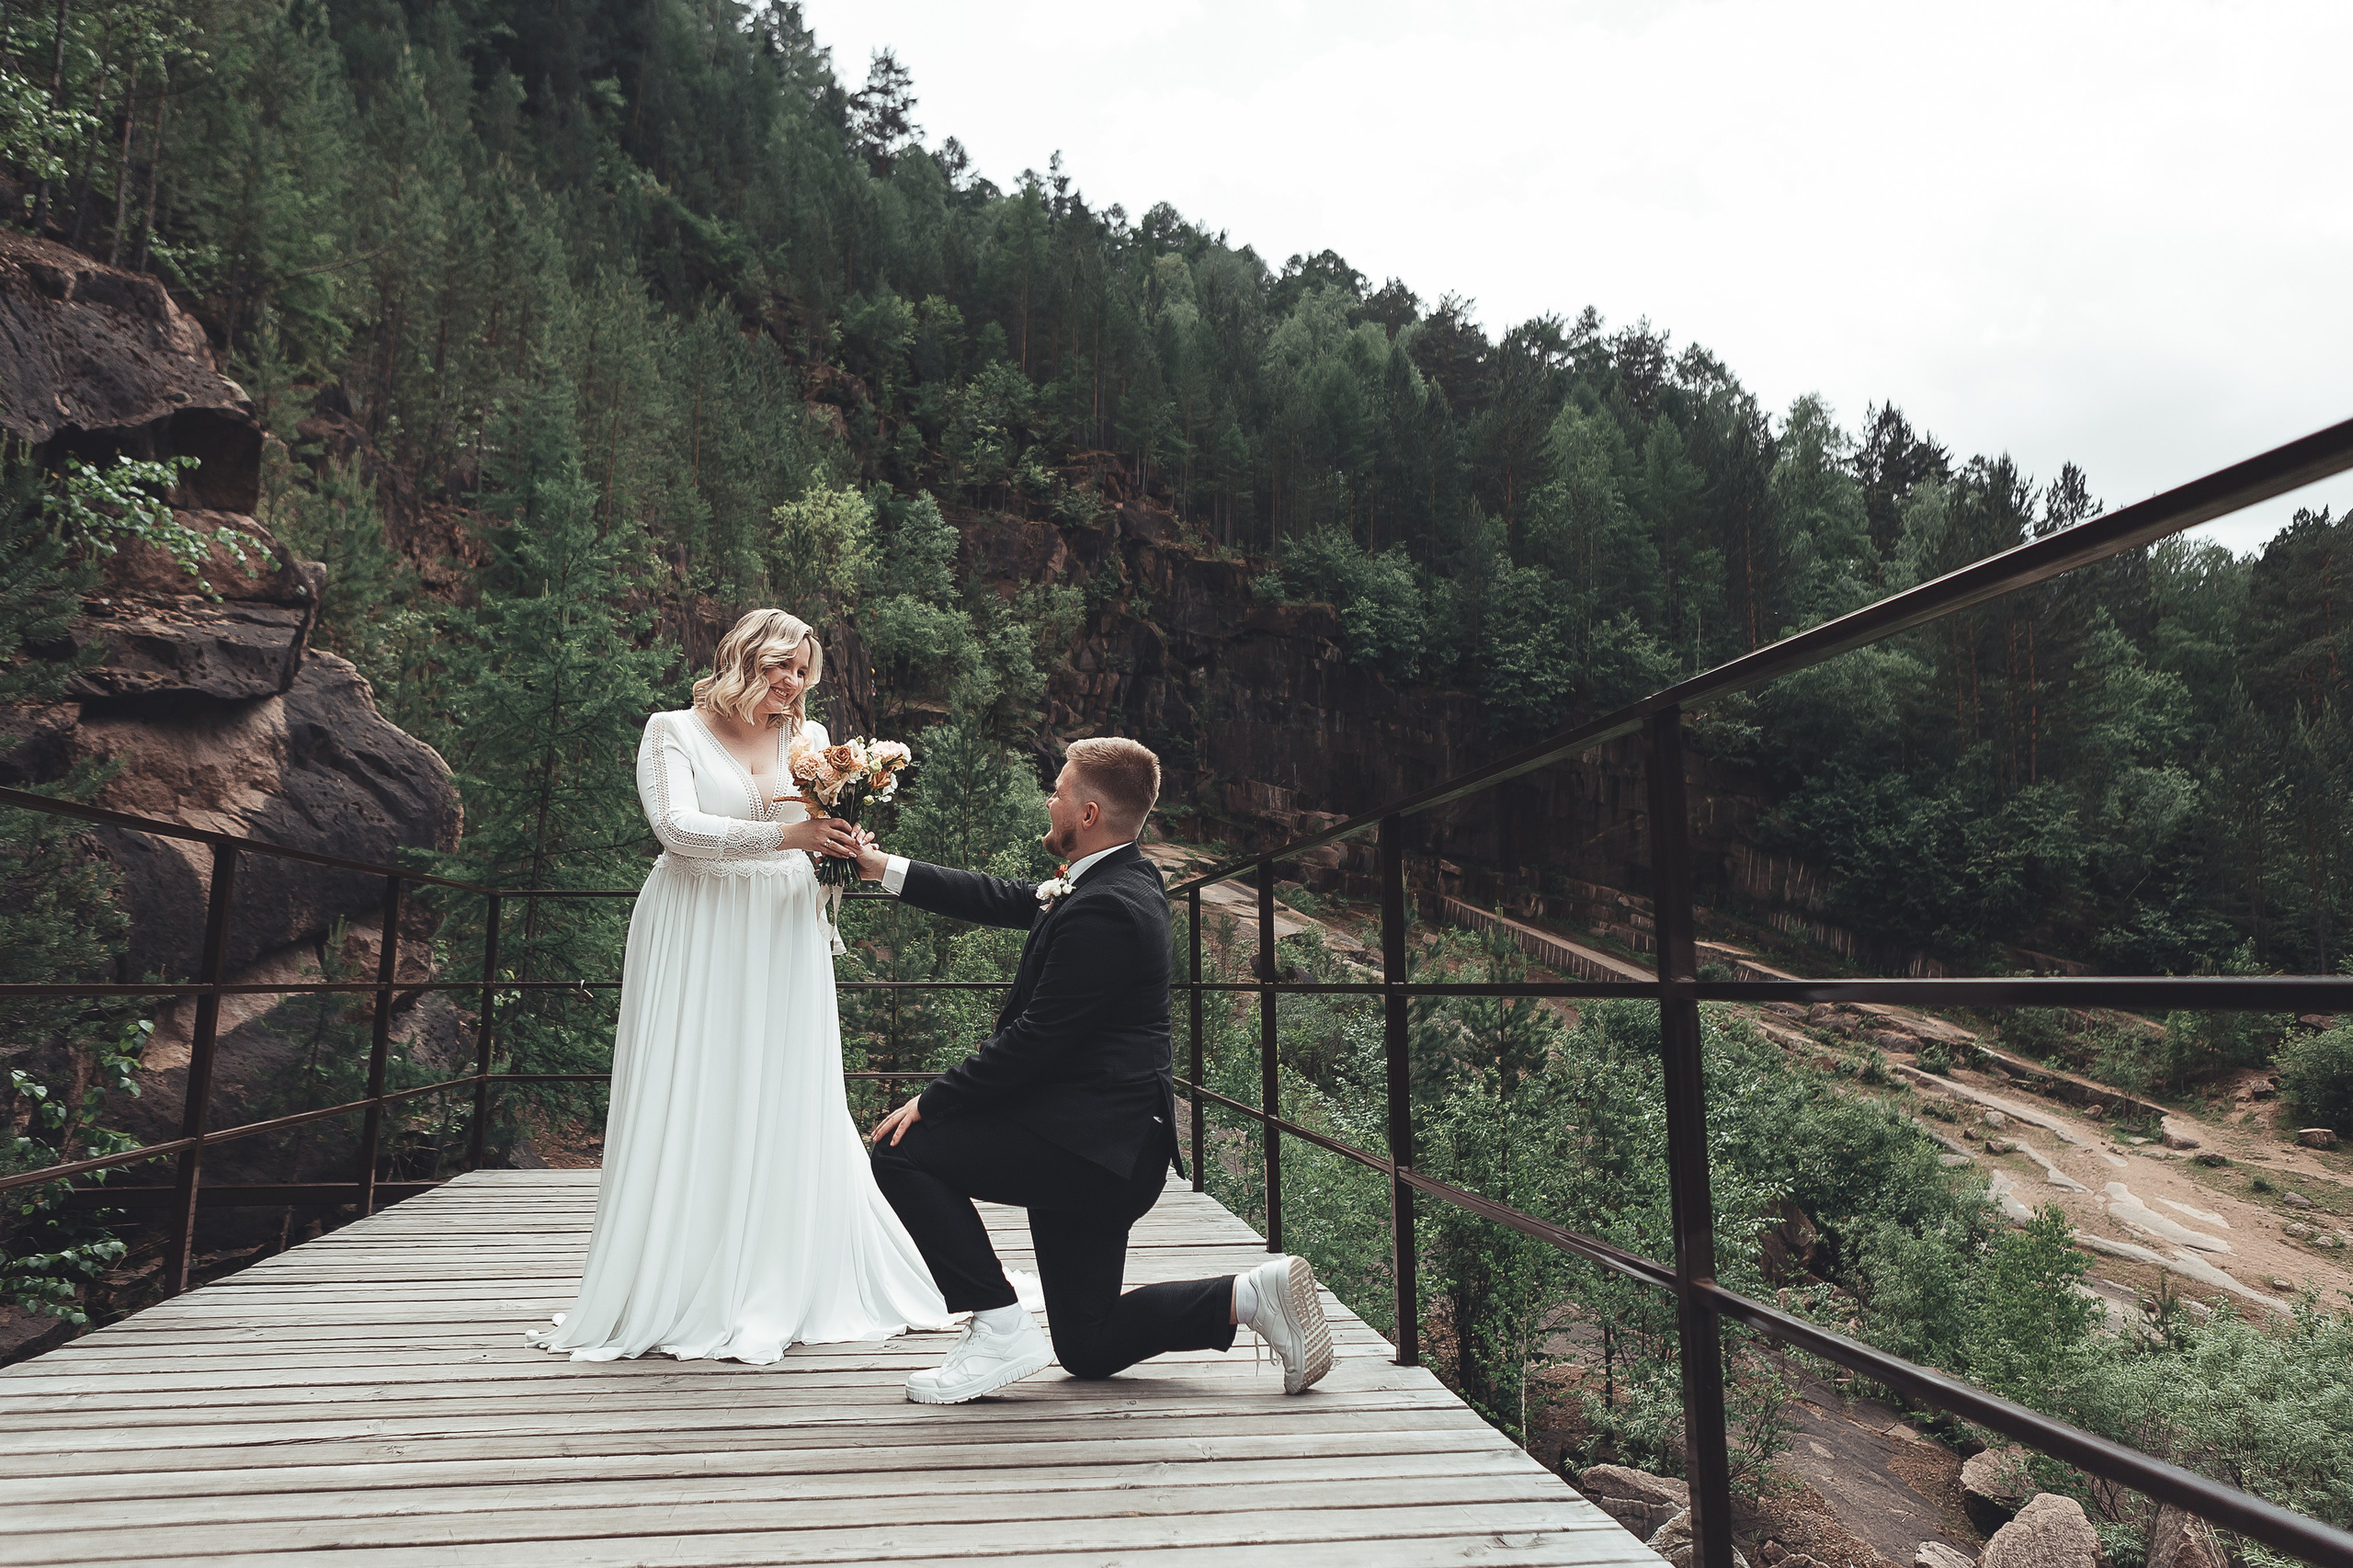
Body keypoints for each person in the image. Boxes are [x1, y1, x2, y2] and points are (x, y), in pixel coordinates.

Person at [529, 608, 950, 1363]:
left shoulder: (811, 741)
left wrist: (839, 844)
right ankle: (681, 1276)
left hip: (783, 924)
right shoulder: (672, 731)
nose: (792, 682)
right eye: (781, 665)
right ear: (743, 657)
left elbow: (814, 828)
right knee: (694, 1078)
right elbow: (676, 829)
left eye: (803, 670)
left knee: (784, 1083)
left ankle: (782, 1268)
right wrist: (789, 836)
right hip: (696, 922)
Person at [859, 736, 1333, 1404]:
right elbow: (1003, 898)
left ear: (1087, 814)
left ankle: (996, 1327)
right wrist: (881, 867)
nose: (1047, 801)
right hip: (1105, 1148)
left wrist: (932, 1102)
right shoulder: (1116, 880)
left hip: (1091, 1150)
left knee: (900, 1150)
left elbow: (1035, 1040)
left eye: (1057, 791)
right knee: (1088, 1344)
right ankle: (1250, 1296)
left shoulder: (1108, 908)